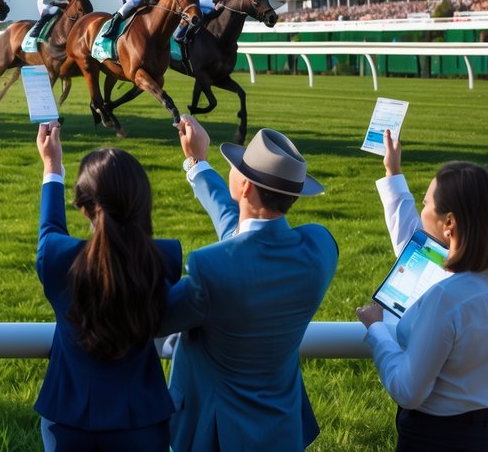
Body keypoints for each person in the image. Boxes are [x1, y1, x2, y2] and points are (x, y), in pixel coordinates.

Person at [161, 115, 338, 452]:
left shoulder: (209, 267)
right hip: (282, 430)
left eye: (236, 166)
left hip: (215, 434)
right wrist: (197, 164)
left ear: (244, 187)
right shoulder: (320, 249)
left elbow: (152, 319)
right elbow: (242, 235)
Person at [34, 122, 182, 451]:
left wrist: (52, 166)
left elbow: (51, 230)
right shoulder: (164, 261)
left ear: (82, 205)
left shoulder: (57, 260)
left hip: (67, 421)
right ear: (142, 204)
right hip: (142, 421)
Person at [355, 130, 488, 450]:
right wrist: (393, 171)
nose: (423, 208)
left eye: (426, 203)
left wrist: (376, 330)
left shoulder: (446, 297)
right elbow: (414, 239)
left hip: (435, 437)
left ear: (449, 223)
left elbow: (408, 390)